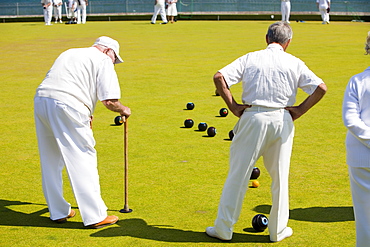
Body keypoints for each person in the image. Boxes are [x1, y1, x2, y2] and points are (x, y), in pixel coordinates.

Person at [205, 21, 327, 242]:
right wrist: (299, 110)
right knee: (280, 178)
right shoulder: (295, 62)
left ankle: (223, 229)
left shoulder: (251, 57)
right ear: (288, 42)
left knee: (238, 175)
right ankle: (277, 231)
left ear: (266, 38)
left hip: (253, 118)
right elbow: (321, 88)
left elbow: (218, 77)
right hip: (282, 119)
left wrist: (232, 106)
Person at [34, 36, 131, 229]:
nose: (114, 63)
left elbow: (68, 83)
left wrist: (86, 112)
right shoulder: (103, 60)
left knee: (50, 158)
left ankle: (58, 211)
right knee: (82, 156)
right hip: (68, 105)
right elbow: (109, 100)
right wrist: (123, 110)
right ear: (107, 51)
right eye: (115, 59)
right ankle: (95, 216)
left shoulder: (70, 52)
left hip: (42, 100)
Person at [343, 32, 370, 247]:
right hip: (361, 159)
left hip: (361, 156)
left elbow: (351, 120)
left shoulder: (357, 81)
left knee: (364, 217)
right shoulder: (357, 81)